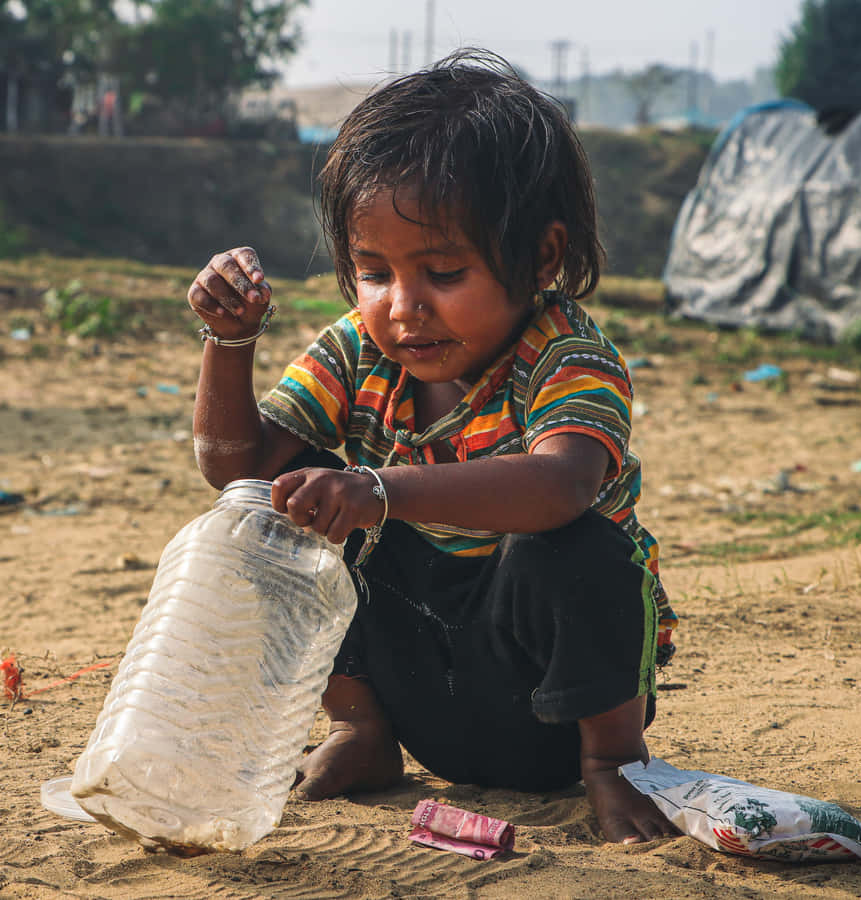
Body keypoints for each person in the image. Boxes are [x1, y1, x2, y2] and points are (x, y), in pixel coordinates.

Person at [187, 49, 679, 844]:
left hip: (555, 711)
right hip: (424, 695)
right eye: (373, 272)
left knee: (579, 549)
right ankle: (362, 732)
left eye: (443, 271)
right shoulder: (359, 352)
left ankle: (617, 767)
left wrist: (381, 489)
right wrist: (227, 341)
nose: (403, 308)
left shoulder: (566, 357)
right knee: (289, 510)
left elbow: (563, 485)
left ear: (541, 257)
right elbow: (236, 469)